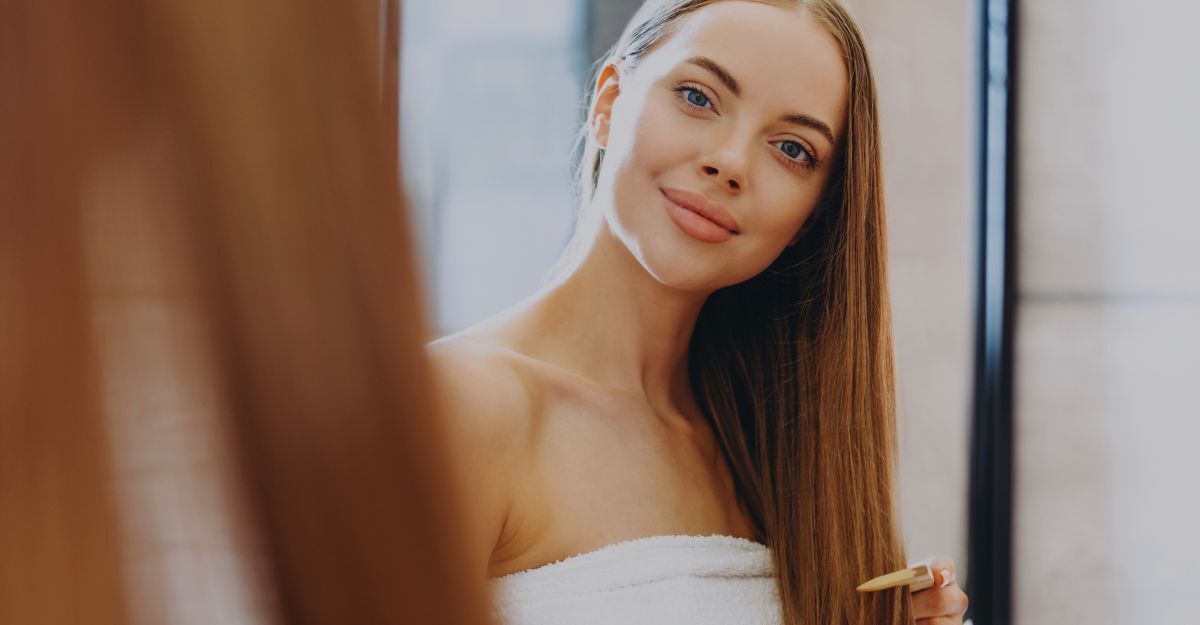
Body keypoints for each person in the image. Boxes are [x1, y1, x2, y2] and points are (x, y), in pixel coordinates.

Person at [428, 1, 970, 624]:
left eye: (792, 149)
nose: (731, 163)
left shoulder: (776, 451)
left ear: (811, 218)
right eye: (697, 97)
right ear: (608, 105)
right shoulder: (458, 410)